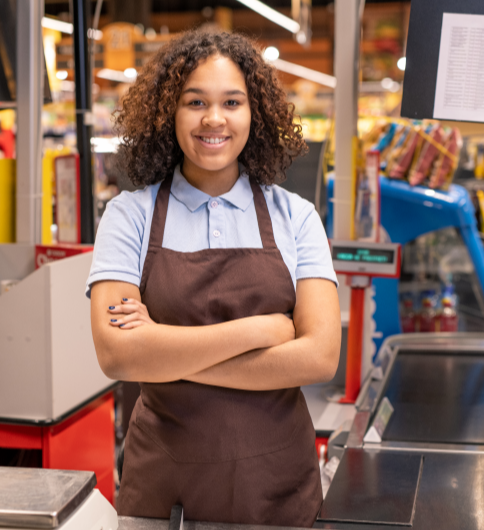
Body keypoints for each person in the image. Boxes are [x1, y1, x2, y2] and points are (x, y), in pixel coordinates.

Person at [86, 29, 341, 527]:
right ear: (168, 113)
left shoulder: (296, 217)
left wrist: (163, 354)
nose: (214, 119)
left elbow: (319, 355)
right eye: (195, 101)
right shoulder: (129, 216)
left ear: (255, 113)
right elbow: (117, 353)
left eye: (232, 102)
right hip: (165, 496)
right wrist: (262, 331)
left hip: (277, 492)